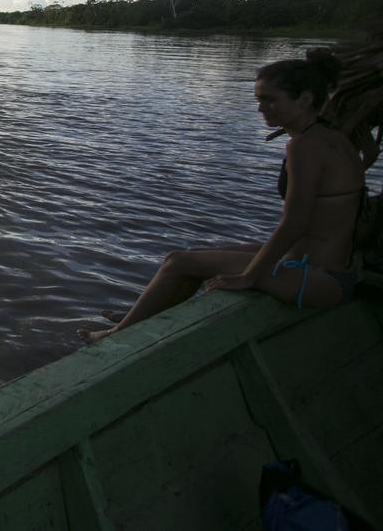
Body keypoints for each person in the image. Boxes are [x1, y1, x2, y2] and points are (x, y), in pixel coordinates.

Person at [85, 49, 366, 342]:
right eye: (259, 100)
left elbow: (294, 222)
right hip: (326, 268)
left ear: (305, 99)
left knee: (178, 261)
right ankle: (141, 313)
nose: (261, 109)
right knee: (197, 256)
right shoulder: (334, 137)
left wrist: (250, 276)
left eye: (270, 100)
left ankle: (118, 333)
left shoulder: (304, 147)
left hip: (316, 278)